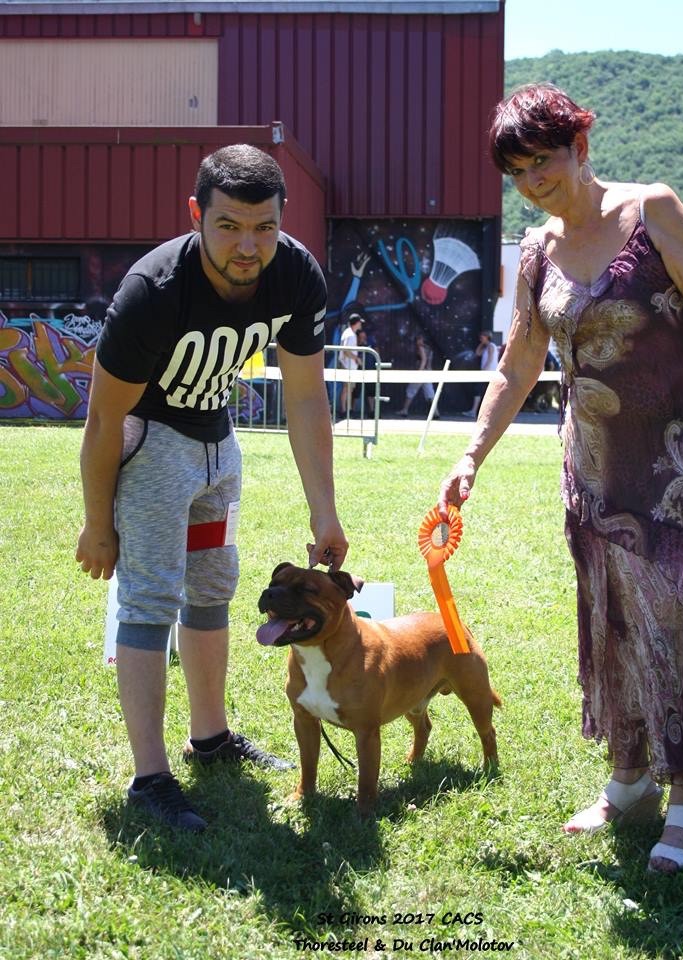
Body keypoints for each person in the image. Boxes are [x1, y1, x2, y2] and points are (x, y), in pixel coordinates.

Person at [438, 83, 683, 874]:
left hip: (679, 470)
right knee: (610, 628)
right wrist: (471, 454)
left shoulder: (653, 212)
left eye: (541, 161)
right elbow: (516, 365)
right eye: (516, 172)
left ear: (579, 147)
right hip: (592, 475)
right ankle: (628, 781)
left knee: (682, 625)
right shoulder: (535, 251)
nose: (532, 181)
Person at [75, 144, 348, 833]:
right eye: (228, 226)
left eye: (264, 227)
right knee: (150, 599)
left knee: (212, 588)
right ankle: (149, 777)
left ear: (282, 219)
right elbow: (104, 418)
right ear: (196, 214)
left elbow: (306, 396)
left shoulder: (296, 274)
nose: (248, 246)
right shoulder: (153, 289)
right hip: (153, 443)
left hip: (217, 446)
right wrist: (97, 522)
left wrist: (324, 512)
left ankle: (211, 737)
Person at [398, 334, 437, 417]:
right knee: (430, 393)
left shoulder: (421, 348)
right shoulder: (429, 348)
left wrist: (419, 372)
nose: (417, 342)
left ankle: (405, 410)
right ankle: (436, 412)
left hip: (422, 372)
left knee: (411, 390)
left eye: (418, 339)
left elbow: (424, 360)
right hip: (428, 373)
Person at [463, 330, 500, 417]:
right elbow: (477, 353)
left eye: (482, 337)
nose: (480, 339)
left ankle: (474, 411)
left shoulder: (491, 346)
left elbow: (490, 359)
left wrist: (484, 370)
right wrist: (482, 344)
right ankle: (475, 411)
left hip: (489, 373)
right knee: (480, 391)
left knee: (479, 390)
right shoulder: (486, 347)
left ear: (487, 337)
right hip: (487, 373)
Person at [337, 311, 365, 415]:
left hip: (349, 366)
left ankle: (347, 410)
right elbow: (346, 350)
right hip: (347, 365)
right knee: (346, 388)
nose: (361, 324)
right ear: (356, 323)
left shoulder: (349, 333)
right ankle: (344, 410)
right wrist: (357, 358)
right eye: (360, 322)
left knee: (349, 389)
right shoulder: (350, 335)